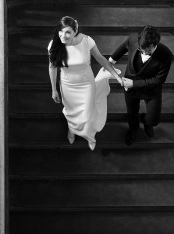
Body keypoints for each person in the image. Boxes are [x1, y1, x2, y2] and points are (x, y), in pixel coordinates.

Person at [48, 16, 123, 150]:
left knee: (87, 114)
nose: (63, 35)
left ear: (75, 31)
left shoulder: (87, 41)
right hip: (67, 86)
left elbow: (101, 59)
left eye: (68, 32)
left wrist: (116, 76)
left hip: (86, 85)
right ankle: (72, 129)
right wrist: (54, 89)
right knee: (71, 112)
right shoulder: (54, 45)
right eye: (61, 31)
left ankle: (89, 136)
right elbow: (52, 67)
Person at [109, 25, 173, 146]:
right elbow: (123, 47)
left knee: (153, 120)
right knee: (132, 112)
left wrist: (133, 83)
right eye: (141, 49)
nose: (143, 52)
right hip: (130, 87)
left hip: (151, 89)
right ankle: (133, 129)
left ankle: (147, 122)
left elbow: (159, 80)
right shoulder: (133, 39)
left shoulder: (166, 54)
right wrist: (110, 61)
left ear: (155, 44)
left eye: (147, 51)